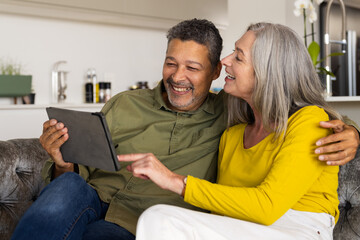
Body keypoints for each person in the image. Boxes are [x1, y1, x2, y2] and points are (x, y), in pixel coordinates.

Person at [11, 19, 359, 240]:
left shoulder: (228, 113)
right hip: (91, 199)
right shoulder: (126, 104)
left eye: (193, 67)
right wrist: (61, 161)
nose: (178, 77)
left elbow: (308, 119)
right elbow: (77, 170)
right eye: (171, 64)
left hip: (135, 221)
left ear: (212, 76)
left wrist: (353, 134)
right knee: (67, 186)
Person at [119, 22, 359, 240]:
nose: (225, 61)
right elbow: (225, 209)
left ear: (267, 71)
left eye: (239, 57)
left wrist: (175, 181)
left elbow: (267, 206)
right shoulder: (233, 135)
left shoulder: (310, 121)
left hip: (299, 229)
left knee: (160, 218)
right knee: (159, 217)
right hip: (244, 226)